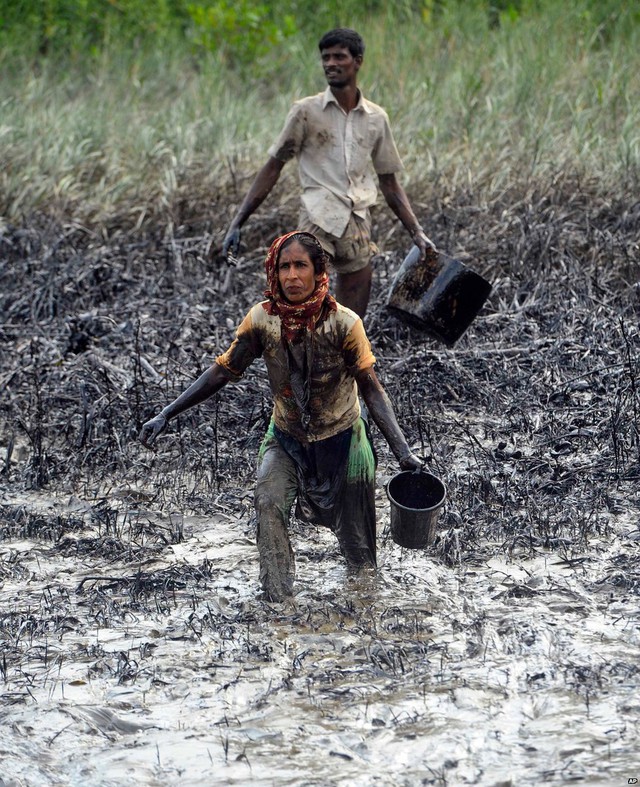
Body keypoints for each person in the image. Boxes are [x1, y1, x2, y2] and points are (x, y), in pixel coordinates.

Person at [141, 231, 422, 602]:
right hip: (286, 438)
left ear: (318, 270)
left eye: (300, 266)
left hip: (343, 441)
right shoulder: (261, 320)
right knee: (268, 504)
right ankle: (277, 603)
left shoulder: (344, 323)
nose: (291, 276)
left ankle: (361, 611)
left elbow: (371, 388)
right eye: (283, 266)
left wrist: (403, 453)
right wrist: (166, 413)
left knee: (359, 553)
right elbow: (223, 371)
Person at [218, 27, 435, 319]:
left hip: (357, 221)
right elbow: (273, 167)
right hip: (316, 218)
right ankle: (299, 360)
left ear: (357, 61)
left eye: (339, 57)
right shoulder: (306, 112)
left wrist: (417, 233)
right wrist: (238, 221)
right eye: (326, 58)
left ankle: (344, 361)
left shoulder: (375, 118)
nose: (330, 63)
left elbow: (390, 183)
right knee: (300, 303)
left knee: (351, 320)